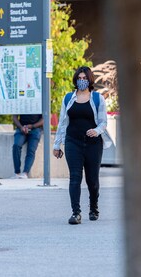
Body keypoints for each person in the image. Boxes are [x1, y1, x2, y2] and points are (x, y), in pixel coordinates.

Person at [53, 66, 113, 224]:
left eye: (84, 78)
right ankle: (76, 213)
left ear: (89, 80)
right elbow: (62, 123)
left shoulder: (97, 99)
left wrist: (97, 130)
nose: (81, 81)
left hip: (93, 144)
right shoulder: (68, 98)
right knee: (74, 177)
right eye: (79, 78)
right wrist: (57, 145)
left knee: (92, 180)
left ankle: (93, 207)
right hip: (73, 142)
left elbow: (103, 122)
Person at [11, 114, 44, 179]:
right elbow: (14, 116)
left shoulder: (41, 103)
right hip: (21, 127)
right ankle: (17, 173)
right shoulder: (20, 103)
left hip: (36, 129)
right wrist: (21, 127)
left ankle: (25, 173)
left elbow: (44, 118)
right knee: (16, 145)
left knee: (31, 150)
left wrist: (32, 126)